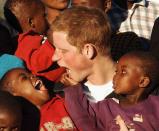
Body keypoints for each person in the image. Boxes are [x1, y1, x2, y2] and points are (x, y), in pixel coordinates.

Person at [64, 51, 159, 130]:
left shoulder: (156, 107)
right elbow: (82, 117)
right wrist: (73, 89)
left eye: (123, 72)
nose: (115, 76)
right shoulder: (106, 108)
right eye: (116, 71)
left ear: (143, 82)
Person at [48, 6, 116, 102]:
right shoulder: (60, 94)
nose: (54, 58)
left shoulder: (137, 93)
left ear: (88, 51)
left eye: (63, 51)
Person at [4, 0, 65, 82]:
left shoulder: (35, 37)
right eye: (44, 16)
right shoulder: (24, 42)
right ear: (32, 22)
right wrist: (51, 41)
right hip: (55, 86)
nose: (47, 19)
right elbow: (37, 64)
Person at [0, 68, 77, 131]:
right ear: (14, 95)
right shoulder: (22, 124)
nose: (33, 75)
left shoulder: (62, 102)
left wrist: (75, 90)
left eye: (31, 74)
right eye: (24, 78)